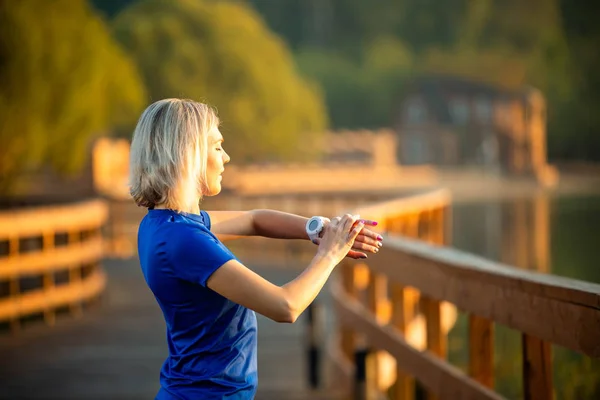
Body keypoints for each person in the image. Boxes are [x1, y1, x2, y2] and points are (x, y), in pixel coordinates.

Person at [129, 98, 383, 399]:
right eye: (217, 146)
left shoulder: (162, 225)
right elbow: (285, 306)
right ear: (189, 154)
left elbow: (253, 220)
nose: (226, 157)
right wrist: (330, 253)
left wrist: (316, 229)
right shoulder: (185, 241)